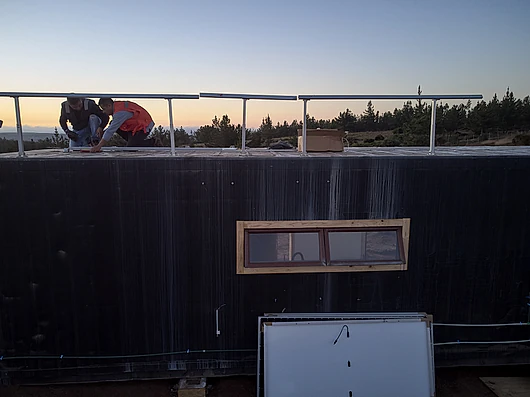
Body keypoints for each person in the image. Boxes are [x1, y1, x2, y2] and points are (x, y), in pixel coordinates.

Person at [91, 98, 155, 152]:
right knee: (113, 124)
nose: (103, 112)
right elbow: (112, 127)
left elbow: (111, 130)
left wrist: (99, 146)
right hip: (133, 127)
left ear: (109, 106)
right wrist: (103, 134)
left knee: (130, 149)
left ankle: (153, 142)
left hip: (144, 125)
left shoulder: (120, 113)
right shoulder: (117, 107)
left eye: (104, 109)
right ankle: (133, 142)